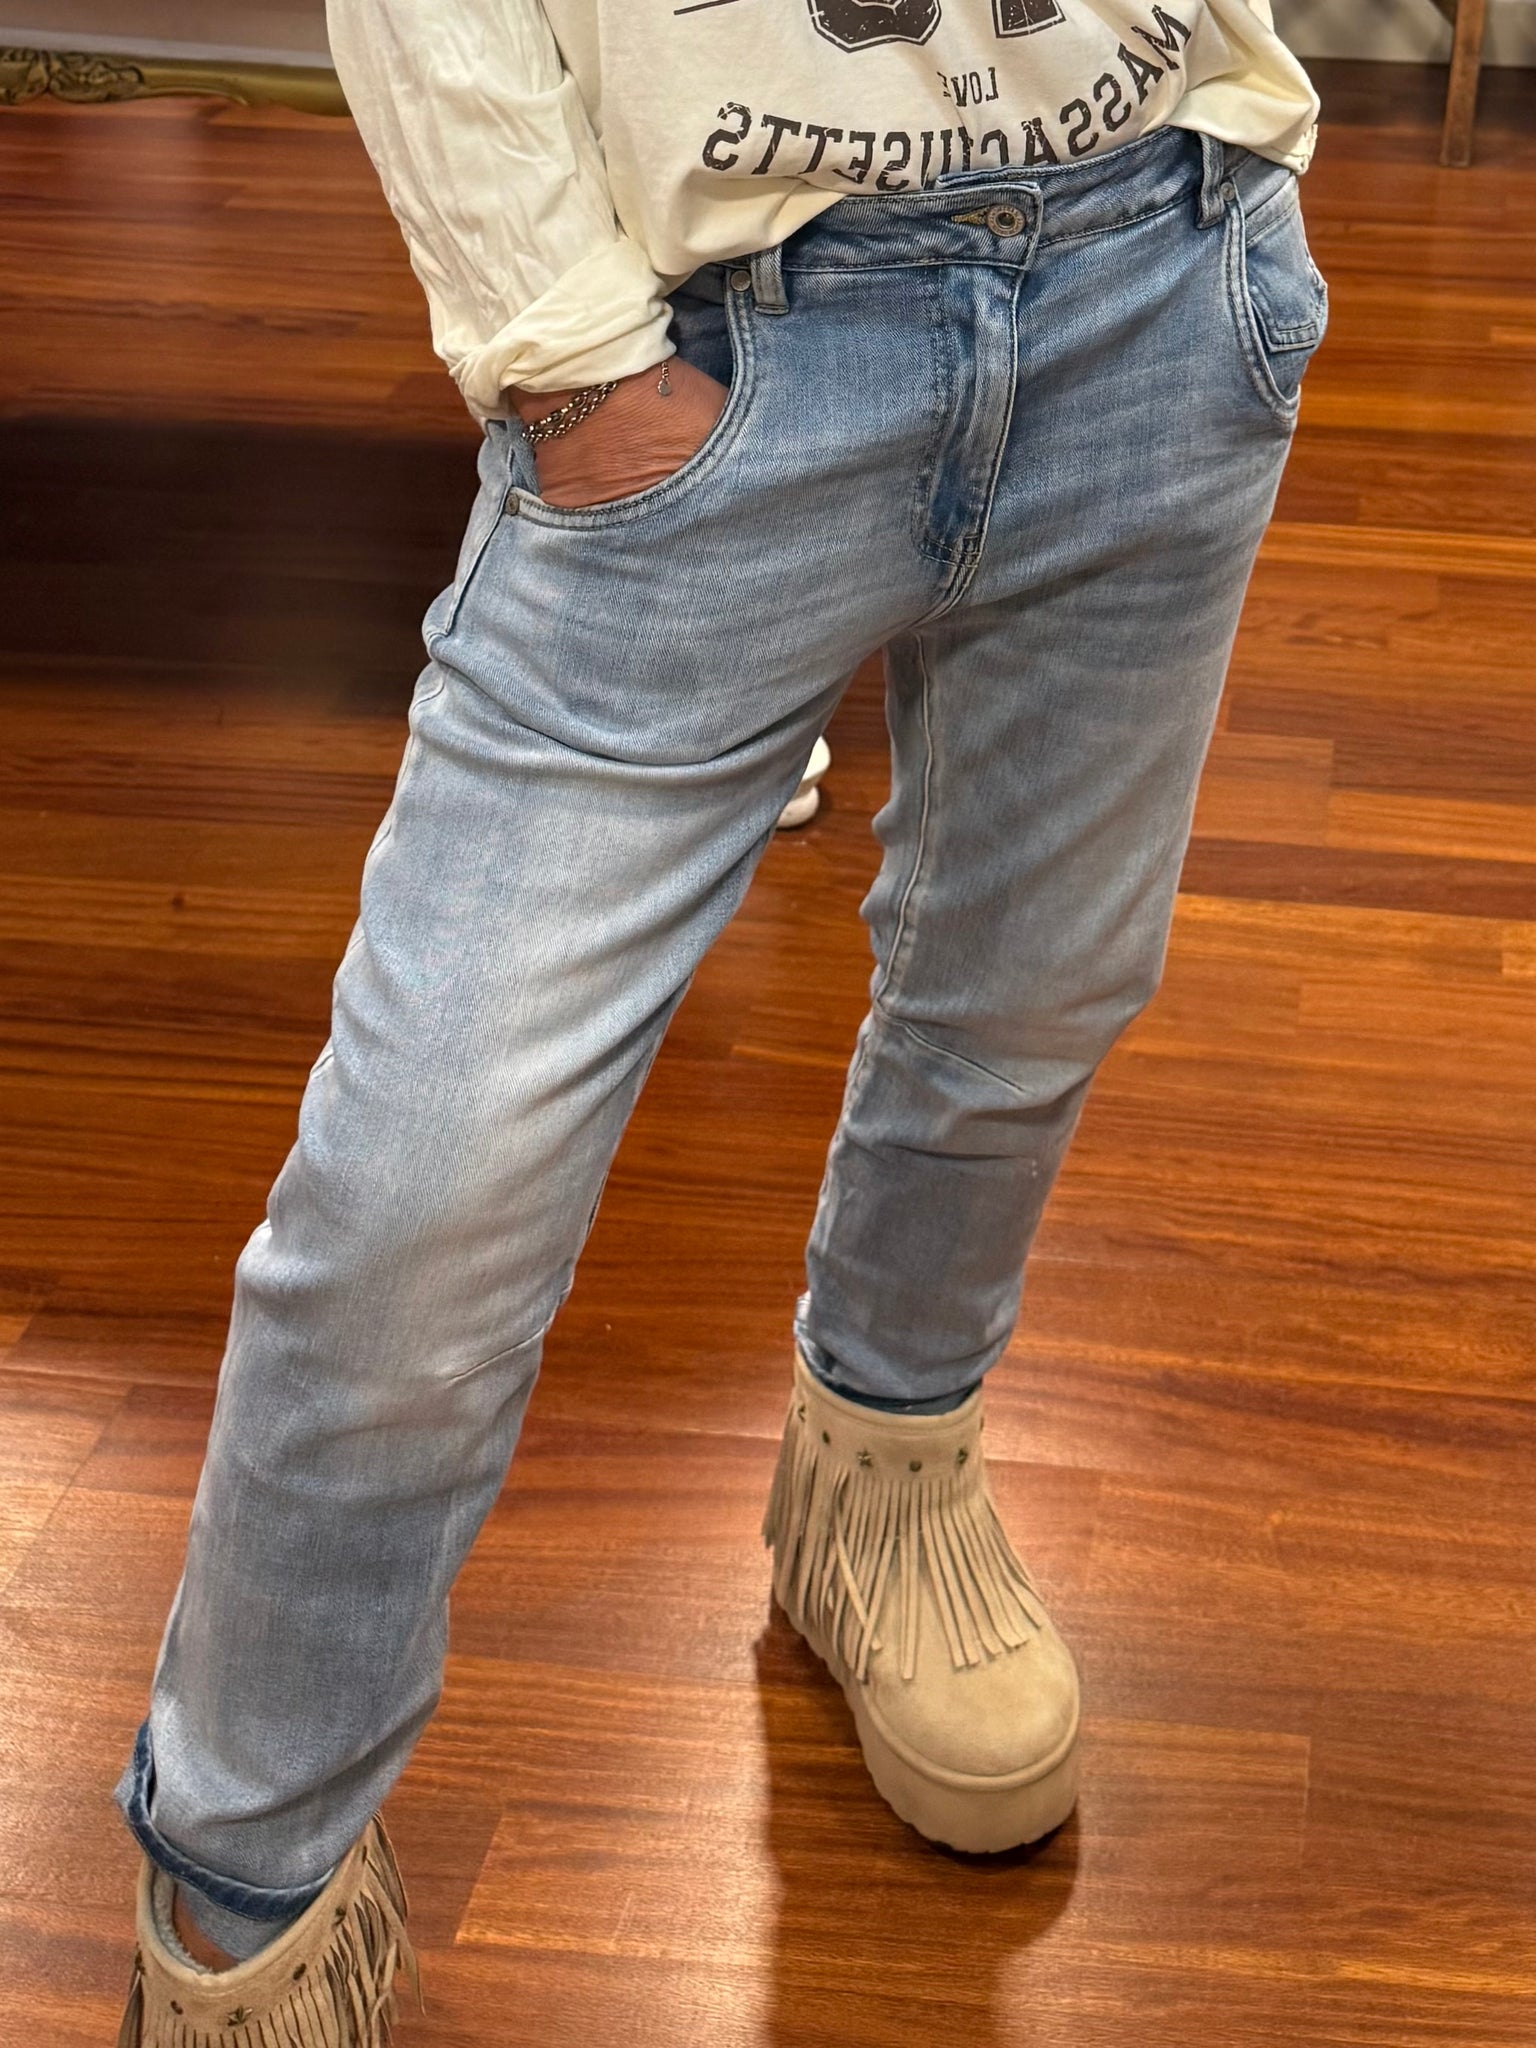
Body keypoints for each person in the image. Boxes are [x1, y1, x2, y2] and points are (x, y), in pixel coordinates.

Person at [114, 2, 1325, 2039]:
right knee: (421, 1196)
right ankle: (245, 1908)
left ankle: (887, 1480)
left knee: (1031, 988)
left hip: (1157, 256)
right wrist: (568, 352)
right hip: (723, 332)